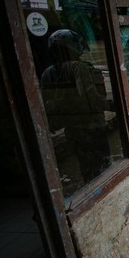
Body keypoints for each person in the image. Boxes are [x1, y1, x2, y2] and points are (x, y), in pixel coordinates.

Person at [41, 29, 110, 184]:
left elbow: (46, 104)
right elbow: (89, 98)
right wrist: (113, 105)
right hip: (91, 126)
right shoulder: (78, 68)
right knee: (103, 168)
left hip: (71, 129)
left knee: (85, 166)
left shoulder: (48, 72)